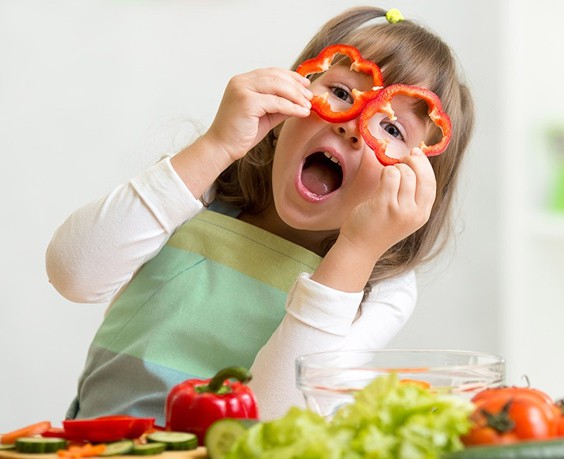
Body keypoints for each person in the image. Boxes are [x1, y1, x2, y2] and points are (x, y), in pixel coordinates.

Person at [46, 6, 475, 423]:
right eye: (341, 93)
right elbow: (73, 274)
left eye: (392, 129)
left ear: (417, 182)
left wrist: (357, 251)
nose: (352, 125)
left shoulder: (383, 286)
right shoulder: (202, 186)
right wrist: (215, 145)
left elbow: (275, 418)